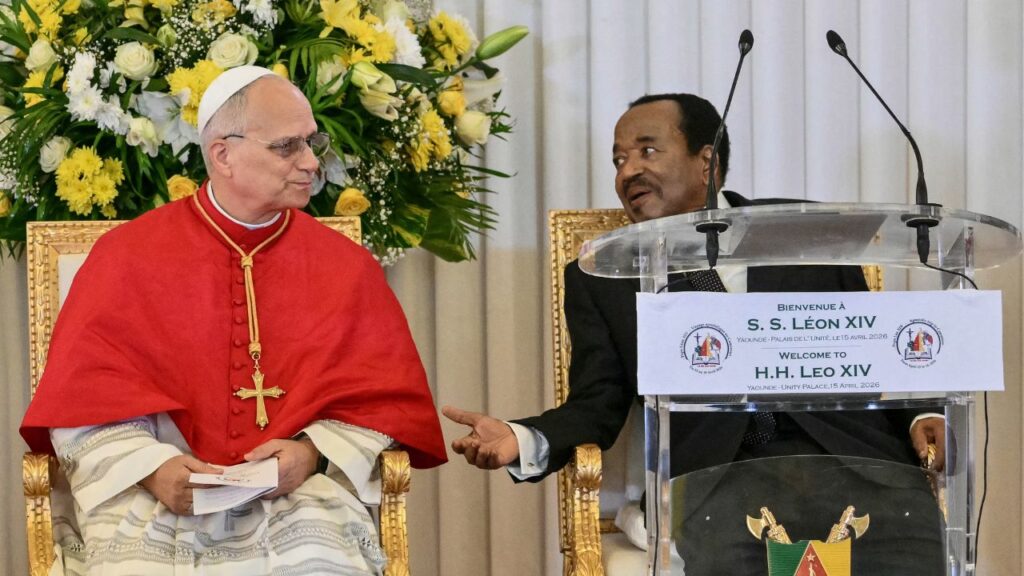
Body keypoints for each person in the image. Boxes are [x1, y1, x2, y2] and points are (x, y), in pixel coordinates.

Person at [443, 93, 946, 573]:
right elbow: (597, 403)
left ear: (706, 162)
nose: (627, 171)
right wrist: (522, 437)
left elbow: (872, 345)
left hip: (852, 462)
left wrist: (923, 414)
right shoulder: (605, 273)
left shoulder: (801, 229)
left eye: (646, 150)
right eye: (618, 159)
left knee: (913, 552)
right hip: (719, 478)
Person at [21, 66, 446, 576]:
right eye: (288, 147)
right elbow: (83, 403)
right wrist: (155, 470)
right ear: (222, 154)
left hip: (300, 499)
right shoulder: (126, 257)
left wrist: (311, 454)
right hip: (151, 498)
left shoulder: (345, 267)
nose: (312, 163)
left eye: (314, 143)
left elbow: (381, 403)